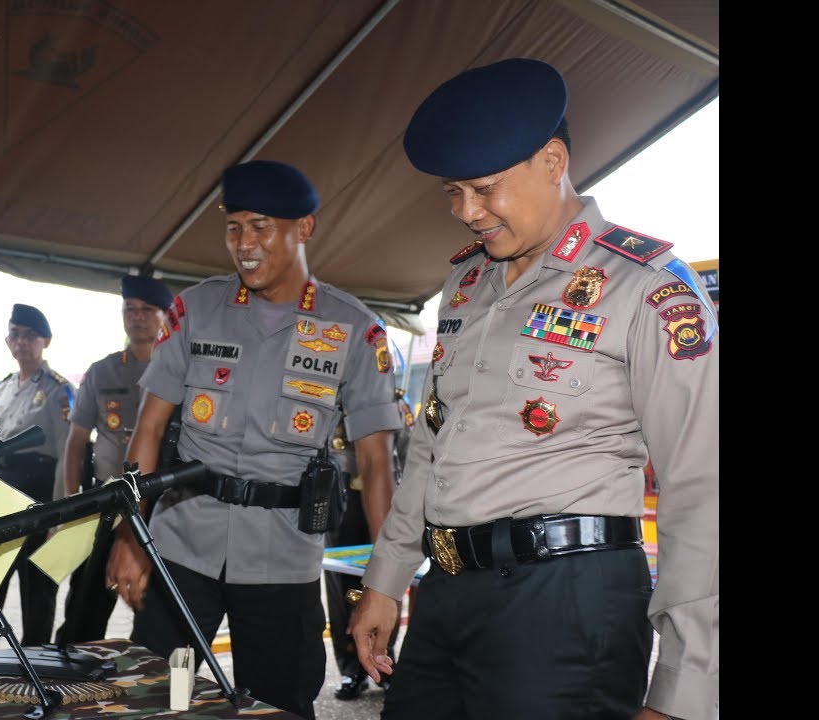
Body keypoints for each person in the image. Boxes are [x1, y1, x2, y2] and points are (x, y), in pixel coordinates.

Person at [347, 58, 719, 720]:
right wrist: (386, 578)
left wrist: (686, 685)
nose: (466, 212)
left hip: (567, 603)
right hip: (447, 593)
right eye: (452, 192)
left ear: (553, 161)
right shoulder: (466, 285)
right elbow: (431, 445)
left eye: (484, 189)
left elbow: (703, 484)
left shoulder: (648, 287)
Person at [105, 159, 401, 720]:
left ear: (304, 228)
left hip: (282, 561)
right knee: (150, 701)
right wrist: (131, 532)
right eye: (234, 227)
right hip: (182, 547)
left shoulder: (354, 330)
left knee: (280, 705)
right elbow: (148, 427)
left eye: (261, 226)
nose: (245, 244)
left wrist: (381, 587)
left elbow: (377, 464)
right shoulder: (195, 310)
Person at [52, 274, 172, 645]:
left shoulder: (180, 371)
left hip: (158, 506)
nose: (137, 317)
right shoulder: (102, 371)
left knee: (158, 609)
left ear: (165, 316)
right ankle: (68, 675)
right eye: (129, 309)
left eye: (147, 310)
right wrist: (72, 499)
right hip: (105, 502)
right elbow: (75, 442)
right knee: (84, 607)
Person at [0, 303, 74, 649]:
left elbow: (67, 454)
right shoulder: (6, 385)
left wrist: (60, 513)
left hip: (38, 497)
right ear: (7, 341)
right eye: (15, 335)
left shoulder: (59, 389)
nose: (21, 342)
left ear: (46, 341)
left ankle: (35, 661)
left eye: (30, 336)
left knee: (37, 589)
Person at [324, 390, 406, 701]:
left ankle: (386, 661)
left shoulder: (392, 401)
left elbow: (409, 450)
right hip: (341, 499)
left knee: (389, 580)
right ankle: (350, 668)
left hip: (384, 499)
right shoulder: (326, 398)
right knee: (341, 587)